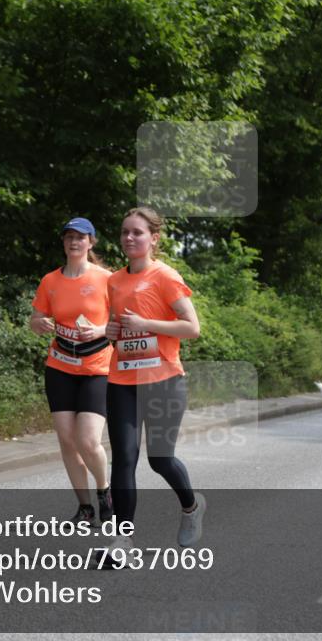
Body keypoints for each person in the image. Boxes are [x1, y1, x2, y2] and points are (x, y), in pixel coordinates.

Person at [104, 207, 205, 553]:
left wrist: (146, 324)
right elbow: (117, 329)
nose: (129, 238)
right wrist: (111, 331)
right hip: (122, 379)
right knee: (124, 457)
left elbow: (192, 327)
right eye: (124, 232)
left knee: (159, 459)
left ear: (154, 239)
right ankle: (123, 538)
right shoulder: (114, 280)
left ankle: (191, 507)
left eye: (137, 232)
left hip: (164, 380)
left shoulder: (165, 275)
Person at [30, 218, 114, 525]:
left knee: (88, 439)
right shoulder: (50, 281)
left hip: (98, 367)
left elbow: (121, 323)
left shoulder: (108, 279)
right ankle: (85, 508)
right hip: (60, 366)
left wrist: (100, 330)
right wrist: (37, 324)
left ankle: (104, 492)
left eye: (80, 237)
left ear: (91, 243)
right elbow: (36, 319)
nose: (74, 242)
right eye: (69, 237)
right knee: (67, 439)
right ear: (64, 243)